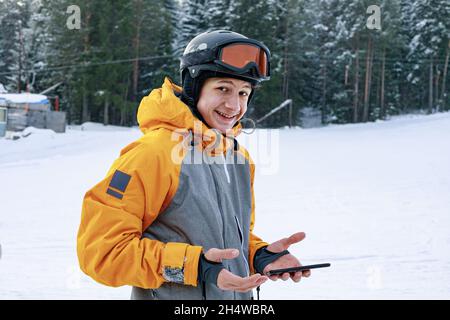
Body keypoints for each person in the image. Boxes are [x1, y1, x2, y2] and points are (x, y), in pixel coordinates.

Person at [77, 30, 310, 300]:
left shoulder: (238, 158)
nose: (234, 105)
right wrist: (193, 265)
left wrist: (259, 254)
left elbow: (224, 239)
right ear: (194, 87)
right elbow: (102, 253)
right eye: (222, 88)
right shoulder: (153, 154)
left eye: (244, 93)